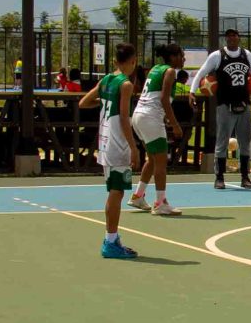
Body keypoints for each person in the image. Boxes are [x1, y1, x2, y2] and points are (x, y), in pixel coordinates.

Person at [77, 43, 144, 259]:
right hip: (118, 143)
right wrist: (133, 147)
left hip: (105, 141)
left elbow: (83, 102)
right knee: (117, 192)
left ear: (115, 61)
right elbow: (124, 118)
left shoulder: (106, 80)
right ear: (133, 61)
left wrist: (104, 101)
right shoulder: (125, 84)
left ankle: (112, 238)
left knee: (115, 191)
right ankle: (110, 241)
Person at [193, 27, 251, 191]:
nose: (232, 38)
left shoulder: (246, 55)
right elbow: (201, 73)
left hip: (244, 103)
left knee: (245, 142)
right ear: (225, 39)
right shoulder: (218, 56)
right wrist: (192, 91)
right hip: (225, 105)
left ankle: (245, 176)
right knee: (221, 142)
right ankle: (219, 177)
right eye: (229, 36)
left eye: (234, 35)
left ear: (238, 38)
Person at [128, 41, 183, 216]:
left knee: (152, 160)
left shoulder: (155, 69)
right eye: (181, 56)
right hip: (150, 118)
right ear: (173, 57)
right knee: (161, 162)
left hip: (139, 116)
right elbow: (164, 100)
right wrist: (175, 124)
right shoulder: (170, 71)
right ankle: (160, 203)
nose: (183, 59)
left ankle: (138, 196)